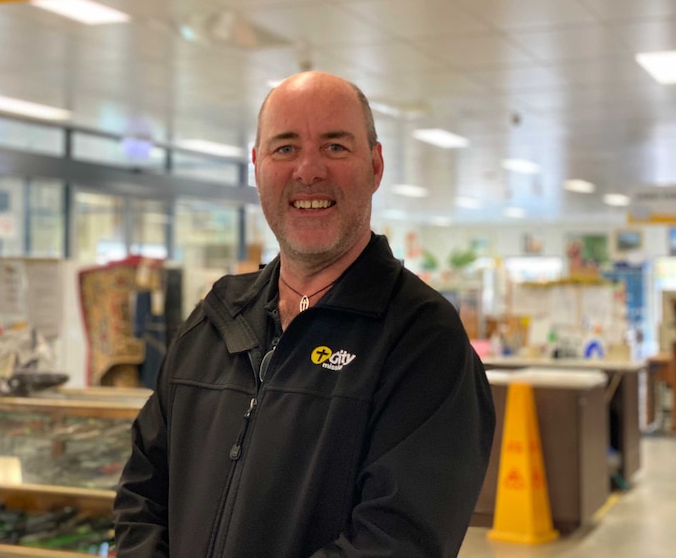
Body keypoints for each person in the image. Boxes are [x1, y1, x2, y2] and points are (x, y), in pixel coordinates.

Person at [113, 71, 495, 558]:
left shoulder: (421, 339)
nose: (308, 170)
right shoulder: (214, 322)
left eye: (335, 147)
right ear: (257, 167)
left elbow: (398, 542)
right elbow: (142, 492)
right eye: (285, 148)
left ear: (375, 167)